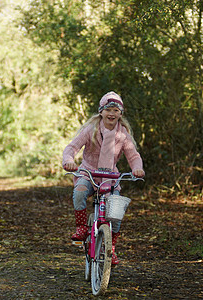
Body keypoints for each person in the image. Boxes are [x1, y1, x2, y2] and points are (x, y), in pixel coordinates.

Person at [62, 91, 145, 265]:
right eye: (108, 109)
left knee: (115, 212)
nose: (112, 113)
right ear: (101, 111)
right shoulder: (90, 130)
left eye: (116, 110)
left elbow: (133, 156)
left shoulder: (122, 135)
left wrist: (137, 169)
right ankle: (82, 227)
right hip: (89, 172)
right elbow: (71, 148)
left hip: (110, 178)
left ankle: (111, 248)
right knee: (79, 192)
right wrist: (69, 161)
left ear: (120, 114)